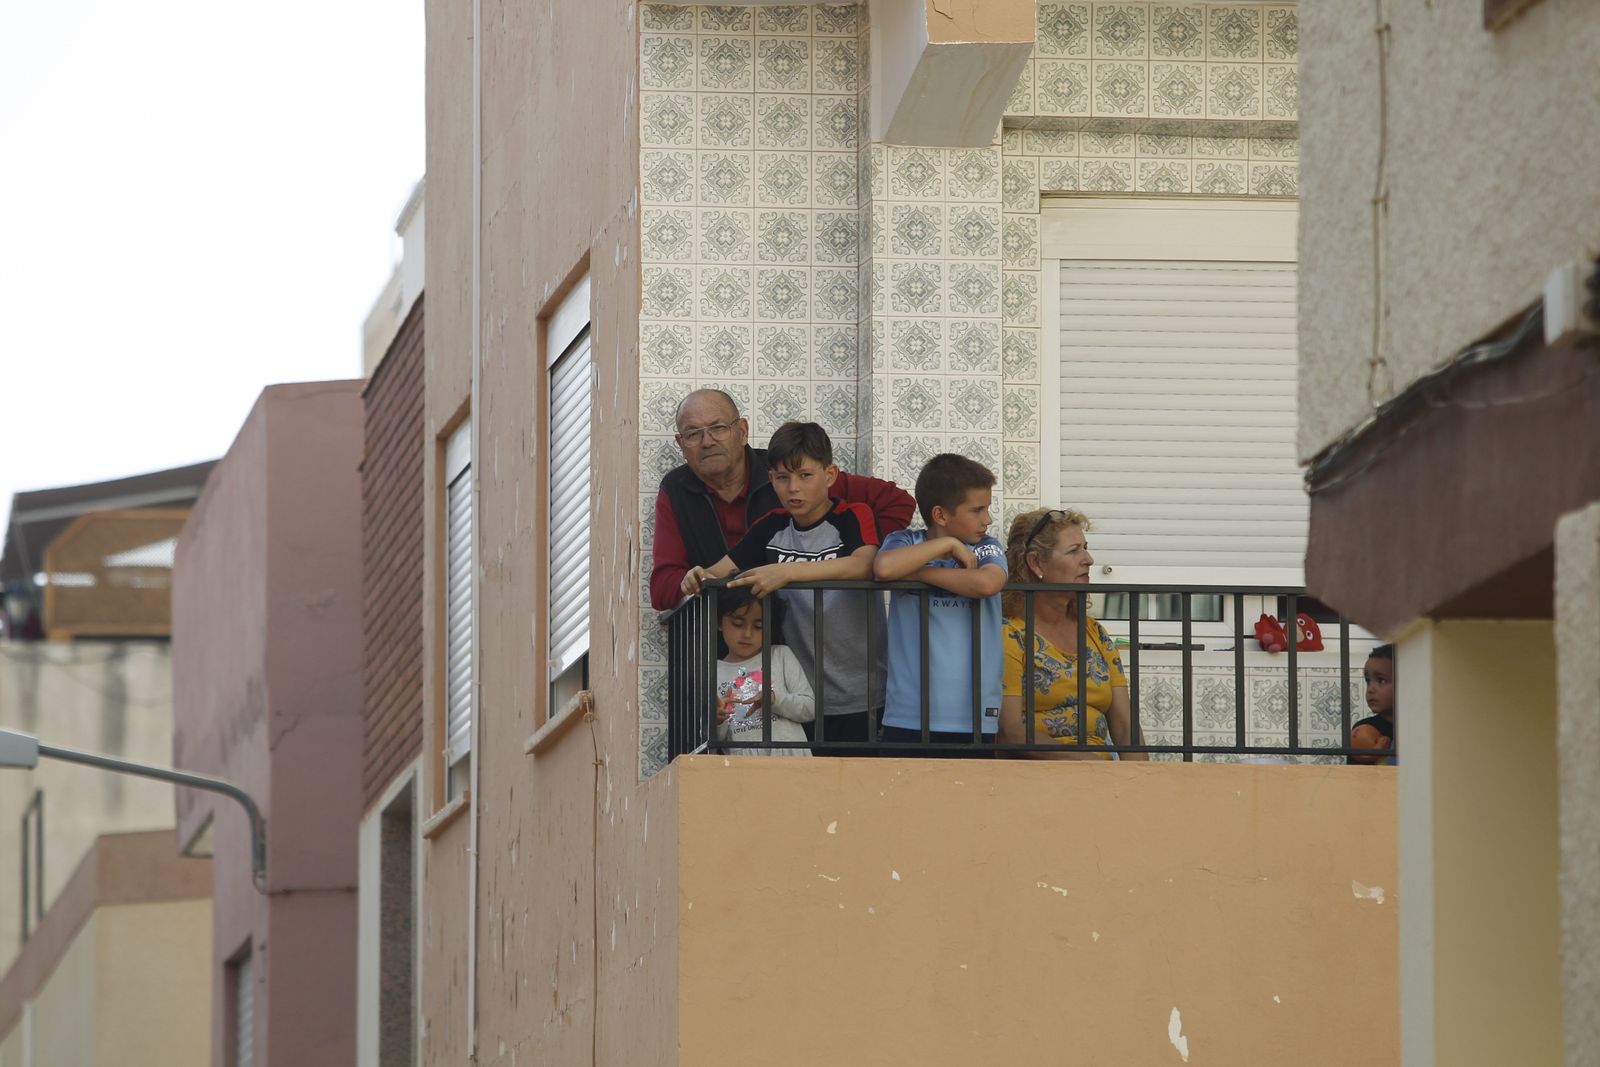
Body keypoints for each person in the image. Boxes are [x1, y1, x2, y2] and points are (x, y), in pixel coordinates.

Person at [682, 421, 885, 750]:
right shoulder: (771, 527)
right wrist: (695, 576)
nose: (793, 488)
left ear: (829, 475)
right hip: (796, 695)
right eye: (781, 477)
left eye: (805, 476)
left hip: (860, 693)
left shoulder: (851, 516)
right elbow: (717, 573)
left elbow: (865, 564)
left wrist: (786, 574)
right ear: (771, 479)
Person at [649, 389, 915, 611]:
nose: (707, 442)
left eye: (718, 428)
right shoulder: (678, 490)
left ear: (742, 431)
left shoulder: (791, 471)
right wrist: (695, 579)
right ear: (680, 443)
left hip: (821, 641)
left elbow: (897, 504)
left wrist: (847, 551)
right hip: (729, 644)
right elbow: (665, 588)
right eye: (693, 433)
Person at [873, 454, 1007, 755]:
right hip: (908, 714)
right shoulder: (904, 540)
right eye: (977, 510)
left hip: (973, 716)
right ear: (941, 515)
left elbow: (987, 584)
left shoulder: (987, 546)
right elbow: (884, 569)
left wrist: (918, 575)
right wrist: (946, 546)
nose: (987, 519)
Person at [997, 507, 1146, 760]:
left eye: (1085, 548)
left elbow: (1124, 726)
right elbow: (1010, 732)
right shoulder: (1009, 634)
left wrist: (1142, 782)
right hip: (1038, 782)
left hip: (1103, 782)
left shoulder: (1094, 633)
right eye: (1074, 550)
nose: (1088, 559)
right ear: (1036, 563)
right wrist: (1091, 767)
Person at [714, 588, 813, 757]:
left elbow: (809, 708)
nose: (747, 634)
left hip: (791, 758)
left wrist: (773, 698)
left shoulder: (780, 655)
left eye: (759, 626)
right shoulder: (713, 671)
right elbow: (714, 739)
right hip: (743, 765)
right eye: (738, 624)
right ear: (719, 622)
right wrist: (717, 719)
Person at [1349, 644, 1396, 765]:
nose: (1370, 689)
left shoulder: (1419, 728)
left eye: (1381, 680)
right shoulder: (1364, 729)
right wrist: (1368, 756)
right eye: (1368, 680)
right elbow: (1353, 777)